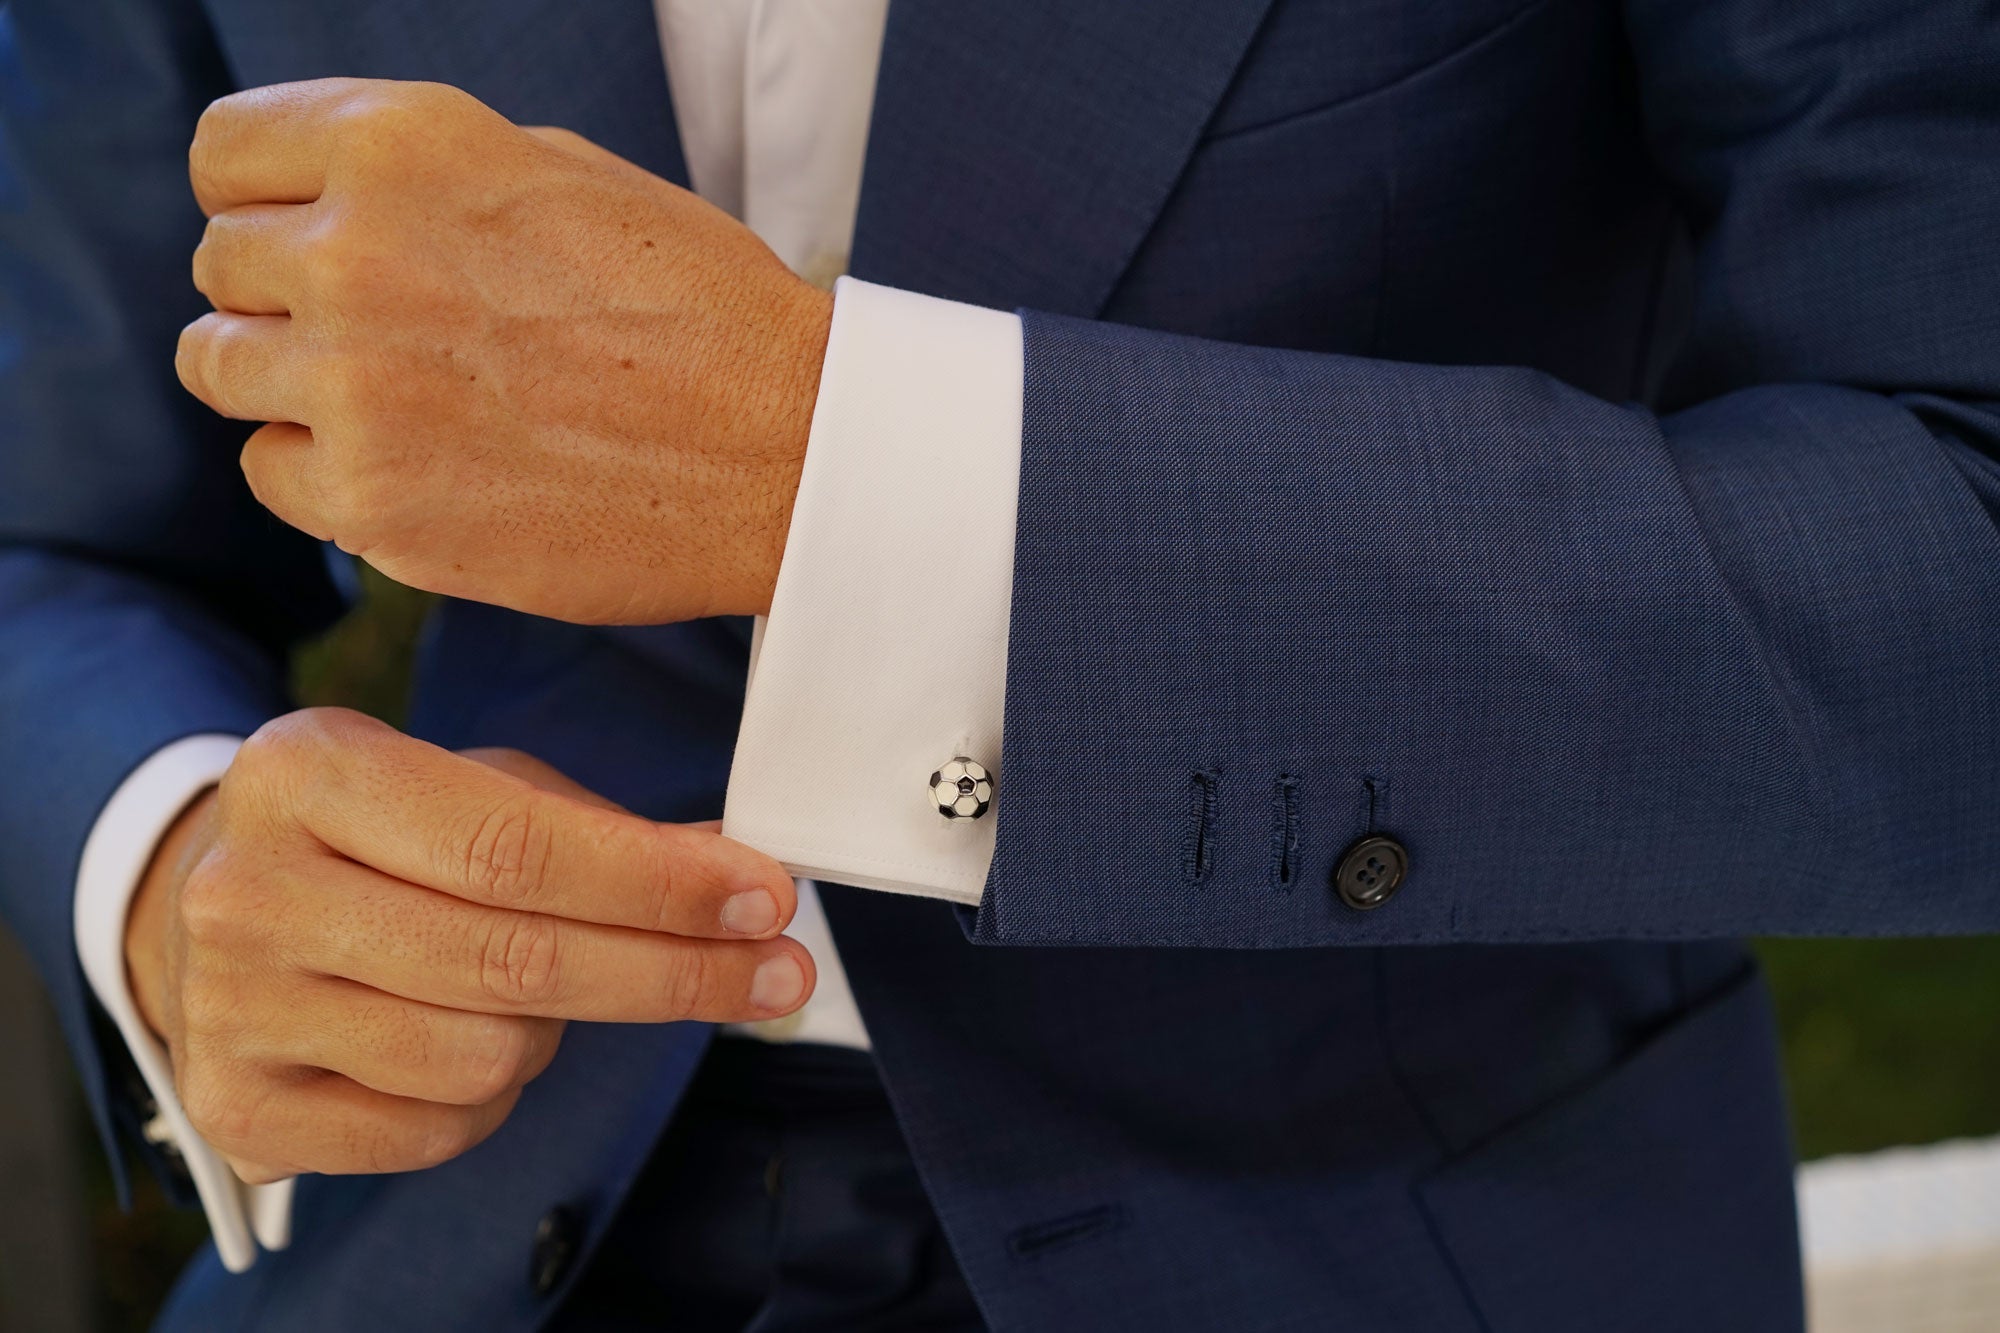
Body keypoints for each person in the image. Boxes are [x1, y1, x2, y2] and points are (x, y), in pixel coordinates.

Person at [3, 0, 1996, 1329]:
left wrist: (829, 465)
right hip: (448, 1228)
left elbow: (1953, 566)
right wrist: (167, 862)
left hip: (1386, 1222)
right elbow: (48, 528)